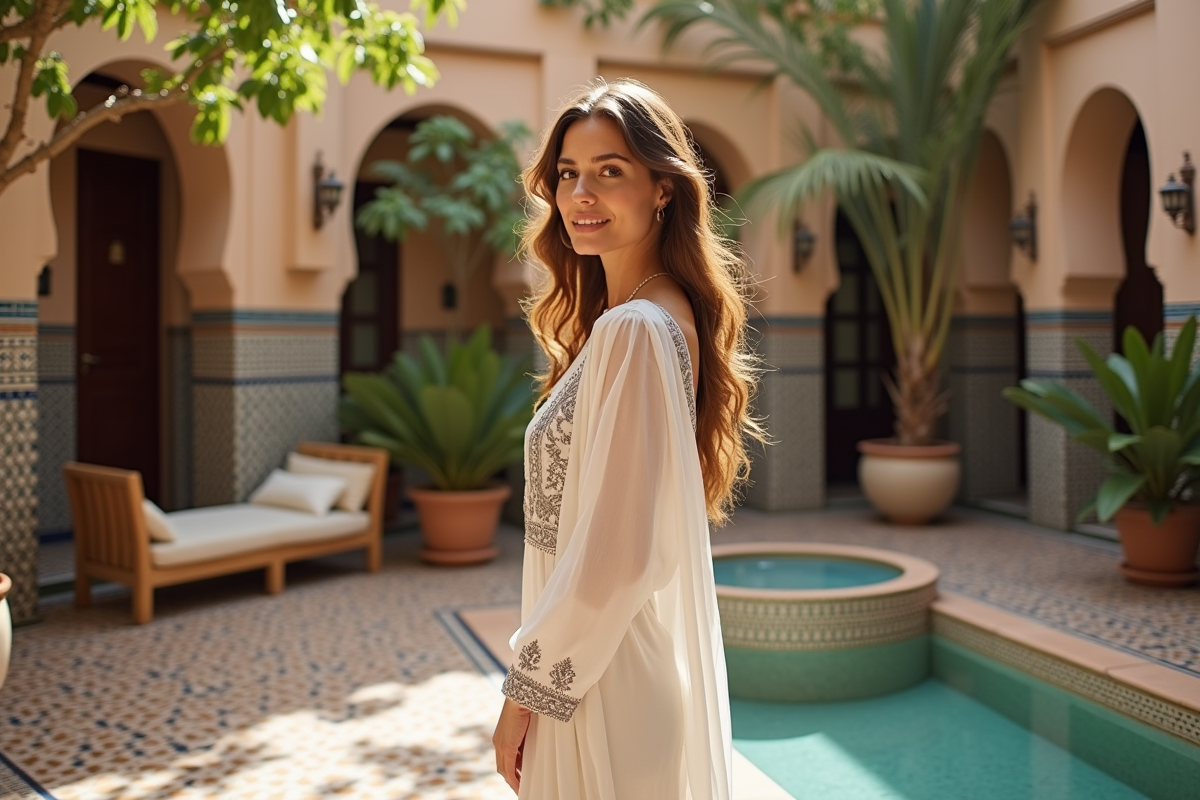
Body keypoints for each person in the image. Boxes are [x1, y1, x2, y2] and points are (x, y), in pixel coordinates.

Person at [491, 78, 764, 800]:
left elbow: (617, 554)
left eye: (610, 171)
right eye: (569, 174)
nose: (582, 193)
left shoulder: (636, 329)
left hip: (600, 692)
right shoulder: (647, 317)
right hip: (604, 675)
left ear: (663, 189)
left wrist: (525, 694)